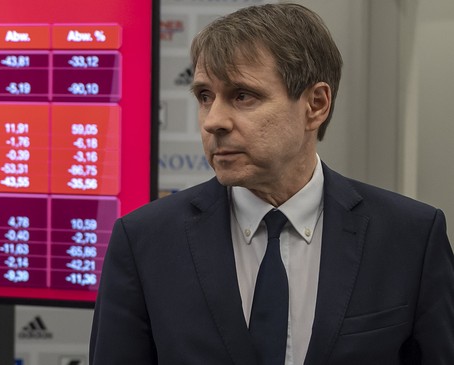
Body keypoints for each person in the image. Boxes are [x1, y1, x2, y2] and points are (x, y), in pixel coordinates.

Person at [89, 3, 454, 364]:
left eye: (242, 96)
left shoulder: (411, 238)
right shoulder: (143, 242)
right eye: (205, 96)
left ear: (315, 104)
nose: (213, 121)